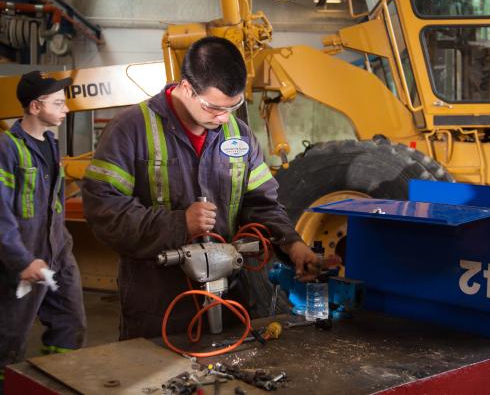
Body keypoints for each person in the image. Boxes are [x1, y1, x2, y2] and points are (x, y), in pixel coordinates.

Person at [82, 36, 320, 340]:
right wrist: (178, 224)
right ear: (185, 88)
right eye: (213, 108)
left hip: (230, 300)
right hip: (159, 306)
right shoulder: (131, 130)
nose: (223, 118)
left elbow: (263, 204)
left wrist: (292, 244)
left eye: (233, 107)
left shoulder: (239, 136)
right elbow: (103, 210)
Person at [0, 71, 86, 389]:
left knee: (70, 323)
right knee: (8, 340)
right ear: (36, 107)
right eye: (58, 103)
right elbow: (1, 215)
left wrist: (61, 247)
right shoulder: (7, 149)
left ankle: (54, 383)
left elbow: (55, 204)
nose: (65, 109)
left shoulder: (51, 144)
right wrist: (22, 261)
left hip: (57, 251)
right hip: (19, 258)